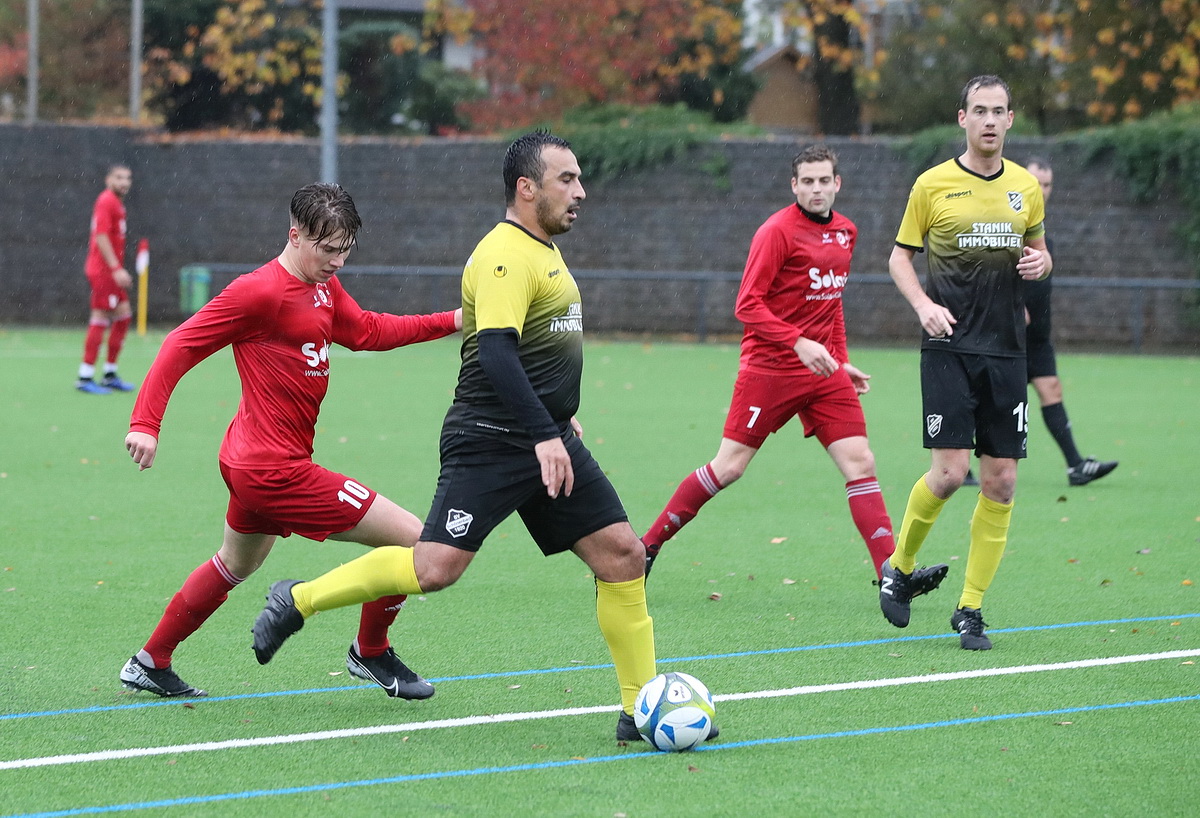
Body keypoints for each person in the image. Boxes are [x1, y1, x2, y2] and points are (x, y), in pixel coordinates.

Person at [252, 132, 709, 746]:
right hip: (491, 439)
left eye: (578, 178)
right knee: (435, 567)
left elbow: (535, 349)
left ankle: (639, 709)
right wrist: (542, 430)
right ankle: (299, 598)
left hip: (544, 435)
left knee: (623, 555)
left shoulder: (542, 250)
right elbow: (494, 351)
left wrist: (556, 417)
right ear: (527, 188)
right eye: (567, 179)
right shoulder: (503, 255)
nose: (580, 191)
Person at [120, 182, 461, 699]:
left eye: (346, 250)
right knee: (414, 540)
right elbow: (181, 343)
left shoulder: (323, 287)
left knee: (235, 564)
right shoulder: (259, 292)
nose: (337, 262)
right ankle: (371, 652)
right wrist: (146, 423)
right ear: (295, 235)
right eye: (328, 250)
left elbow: (368, 331)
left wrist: (453, 320)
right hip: (272, 469)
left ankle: (149, 661)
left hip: (251, 460)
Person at [641, 144, 947, 598]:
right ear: (794, 185)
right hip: (770, 369)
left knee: (861, 462)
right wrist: (798, 342)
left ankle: (892, 575)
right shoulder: (776, 232)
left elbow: (831, 302)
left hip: (823, 372)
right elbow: (747, 304)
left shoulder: (846, 231)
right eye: (807, 181)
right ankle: (646, 547)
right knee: (730, 467)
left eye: (824, 180)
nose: (816, 189)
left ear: (837, 184)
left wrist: (840, 359)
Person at [883, 75, 1051, 650]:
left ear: (1010, 119)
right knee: (951, 473)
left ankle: (971, 608)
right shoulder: (932, 184)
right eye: (979, 110)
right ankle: (899, 568)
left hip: (1006, 351)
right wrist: (923, 306)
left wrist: (1042, 264)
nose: (989, 120)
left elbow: (1040, 253)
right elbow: (899, 258)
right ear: (963, 118)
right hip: (948, 346)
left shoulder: (1025, 187)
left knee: (1001, 482)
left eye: (998, 111)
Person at [1022, 157, 1118, 486]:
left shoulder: (1042, 232)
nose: (1041, 190)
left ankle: (1075, 466)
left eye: (1047, 184)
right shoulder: (1007, 225)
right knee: (992, 401)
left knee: (1051, 389)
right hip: (1007, 334)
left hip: (1037, 338)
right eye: (1035, 182)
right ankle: (959, 463)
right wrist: (1012, 306)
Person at [77, 164, 136, 394]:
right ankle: (85, 376)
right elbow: (100, 236)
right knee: (101, 316)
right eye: (119, 177)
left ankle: (110, 373)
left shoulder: (117, 204)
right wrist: (115, 269)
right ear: (108, 179)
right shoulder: (106, 201)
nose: (124, 182)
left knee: (123, 316)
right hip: (103, 271)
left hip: (110, 271)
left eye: (127, 178)